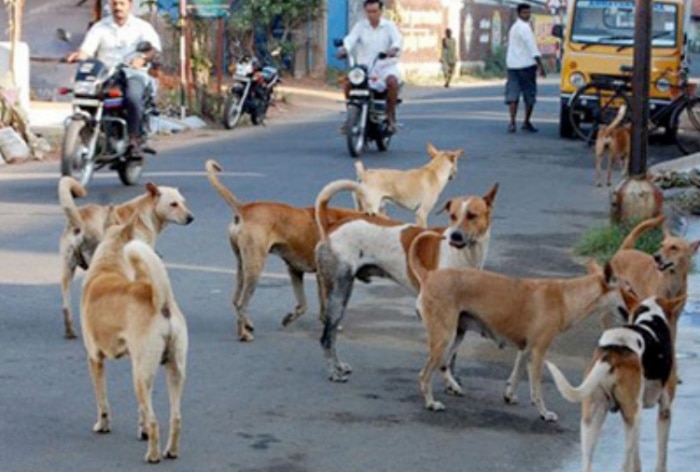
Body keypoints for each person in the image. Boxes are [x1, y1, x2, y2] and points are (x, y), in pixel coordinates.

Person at [65, 0, 161, 157]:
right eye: (114, 3)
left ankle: (134, 140)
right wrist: (78, 55)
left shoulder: (142, 27)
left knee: (133, 98)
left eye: (122, 3)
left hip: (132, 73)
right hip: (105, 75)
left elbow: (153, 49)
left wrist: (142, 59)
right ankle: (92, 135)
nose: (118, 7)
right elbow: (87, 50)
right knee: (86, 97)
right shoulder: (100, 27)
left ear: (130, 5)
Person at [338, 0, 403, 133]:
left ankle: (390, 117)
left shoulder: (389, 26)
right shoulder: (360, 26)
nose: (371, 15)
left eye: (374, 11)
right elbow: (350, 39)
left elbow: (398, 40)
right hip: (364, 68)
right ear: (365, 12)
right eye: (369, 12)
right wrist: (345, 49)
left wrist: (393, 49)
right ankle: (352, 115)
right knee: (348, 83)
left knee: (392, 82)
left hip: (385, 67)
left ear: (381, 11)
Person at [505, 3, 546, 133]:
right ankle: (526, 122)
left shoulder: (514, 27)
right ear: (519, 13)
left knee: (513, 94)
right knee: (529, 95)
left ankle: (512, 122)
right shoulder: (525, 28)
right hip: (527, 66)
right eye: (525, 13)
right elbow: (532, 47)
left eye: (528, 12)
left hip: (512, 65)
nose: (527, 15)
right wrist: (540, 65)